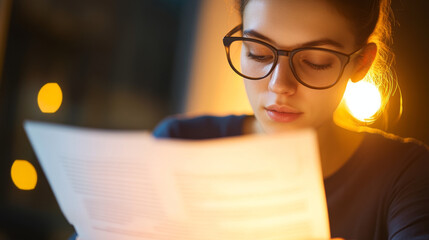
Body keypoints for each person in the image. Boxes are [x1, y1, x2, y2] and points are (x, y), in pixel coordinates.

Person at [72, 0, 428, 239]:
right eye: (258, 53)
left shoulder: (403, 176)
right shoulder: (181, 145)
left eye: (315, 61)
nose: (279, 85)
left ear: (361, 63)